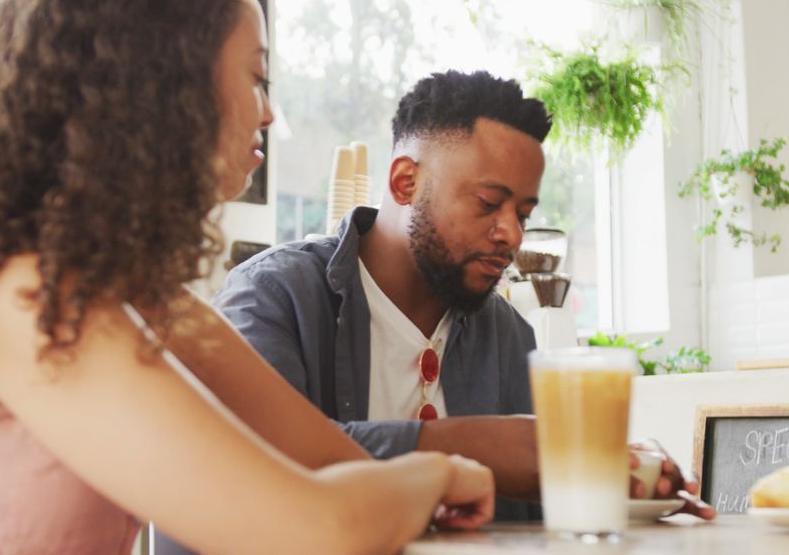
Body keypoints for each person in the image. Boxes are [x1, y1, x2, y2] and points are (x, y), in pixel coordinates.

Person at [0, 0, 495, 553]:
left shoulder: (141, 301)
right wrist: (438, 474)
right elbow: (312, 531)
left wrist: (404, 480)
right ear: (162, 86)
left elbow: (328, 461)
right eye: (256, 77)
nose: (269, 112)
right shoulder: (22, 294)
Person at [214, 70, 716, 521]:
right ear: (405, 181)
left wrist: (619, 473)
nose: (513, 236)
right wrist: (487, 448)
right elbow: (255, 464)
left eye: (522, 213)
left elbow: (537, 507)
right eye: (489, 203)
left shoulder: (509, 334)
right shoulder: (273, 297)